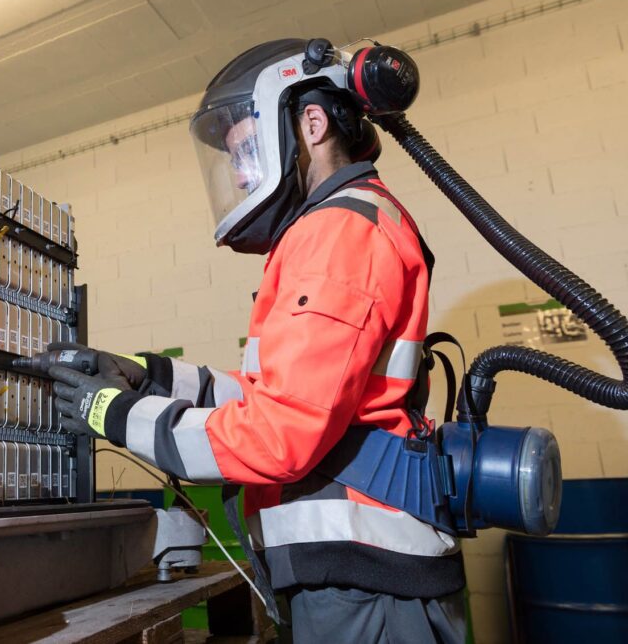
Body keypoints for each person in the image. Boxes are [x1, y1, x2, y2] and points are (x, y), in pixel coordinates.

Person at [41, 38, 467, 643]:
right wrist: (146, 375)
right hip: (356, 577)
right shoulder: (336, 226)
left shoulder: (338, 231)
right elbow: (274, 395)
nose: (241, 172)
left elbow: (277, 436)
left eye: (246, 149)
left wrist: (115, 413)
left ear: (311, 124)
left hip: (367, 585)